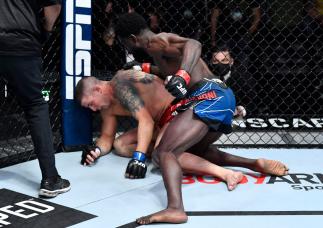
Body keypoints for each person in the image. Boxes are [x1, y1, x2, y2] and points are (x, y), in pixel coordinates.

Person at [114, 12, 288, 225]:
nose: (126, 48)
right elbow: (170, 67)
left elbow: (194, 44)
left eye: (124, 43)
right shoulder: (156, 49)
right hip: (217, 96)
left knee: (165, 152)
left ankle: (175, 209)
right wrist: (144, 68)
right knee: (195, 151)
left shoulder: (158, 41)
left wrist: (183, 75)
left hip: (209, 96)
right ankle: (253, 164)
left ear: (133, 39)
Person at [75, 70, 245, 190]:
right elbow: (107, 137)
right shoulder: (106, 107)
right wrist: (96, 151)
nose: (92, 109)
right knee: (120, 145)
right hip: (159, 123)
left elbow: (146, 122)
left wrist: (139, 158)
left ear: (98, 89)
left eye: (90, 103)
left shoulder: (120, 83)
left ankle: (225, 173)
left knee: (159, 156)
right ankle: (179, 149)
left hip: (175, 111)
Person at [0, 0, 70, 197]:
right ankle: (50, 179)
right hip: (21, 43)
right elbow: (53, 7)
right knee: (35, 106)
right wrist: (45, 31)